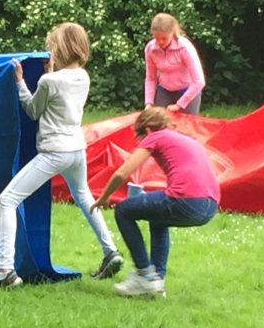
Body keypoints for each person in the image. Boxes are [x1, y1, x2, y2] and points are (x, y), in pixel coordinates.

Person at [0, 22, 124, 288]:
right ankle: (110, 250)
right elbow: (61, 95)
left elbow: (32, 110)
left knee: (7, 200)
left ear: (60, 48)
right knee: (84, 196)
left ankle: (5, 270)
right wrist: (50, 74)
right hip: (77, 149)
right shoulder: (83, 76)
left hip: (54, 151)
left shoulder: (48, 80)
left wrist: (19, 82)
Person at [91, 106, 219, 298]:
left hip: (186, 200)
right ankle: (156, 281)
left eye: (140, 137)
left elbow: (122, 172)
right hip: (209, 206)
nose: (141, 142)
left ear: (148, 129)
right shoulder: (184, 138)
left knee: (123, 211)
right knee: (158, 219)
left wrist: (103, 197)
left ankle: (144, 274)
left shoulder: (155, 136)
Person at [143, 12, 205, 115]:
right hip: (165, 90)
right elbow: (151, 78)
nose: (160, 42)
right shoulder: (150, 48)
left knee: (187, 128)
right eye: (157, 38)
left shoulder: (184, 47)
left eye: (164, 38)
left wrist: (179, 105)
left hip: (187, 91)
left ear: (172, 32)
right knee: (158, 125)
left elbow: (199, 81)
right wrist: (148, 103)